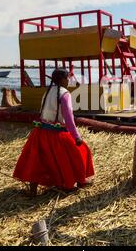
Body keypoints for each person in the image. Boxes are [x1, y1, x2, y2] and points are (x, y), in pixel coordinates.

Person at [13, 68, 94, 196]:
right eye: (67, 78)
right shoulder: (64, 94)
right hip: (56, 134)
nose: (68, 81)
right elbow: (69, 119)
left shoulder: (48, 91)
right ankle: (78, 182)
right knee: (81, 151)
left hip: (40, 132)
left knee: (38, 160)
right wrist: (77, 137)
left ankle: (33, 190)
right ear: (62, 79)